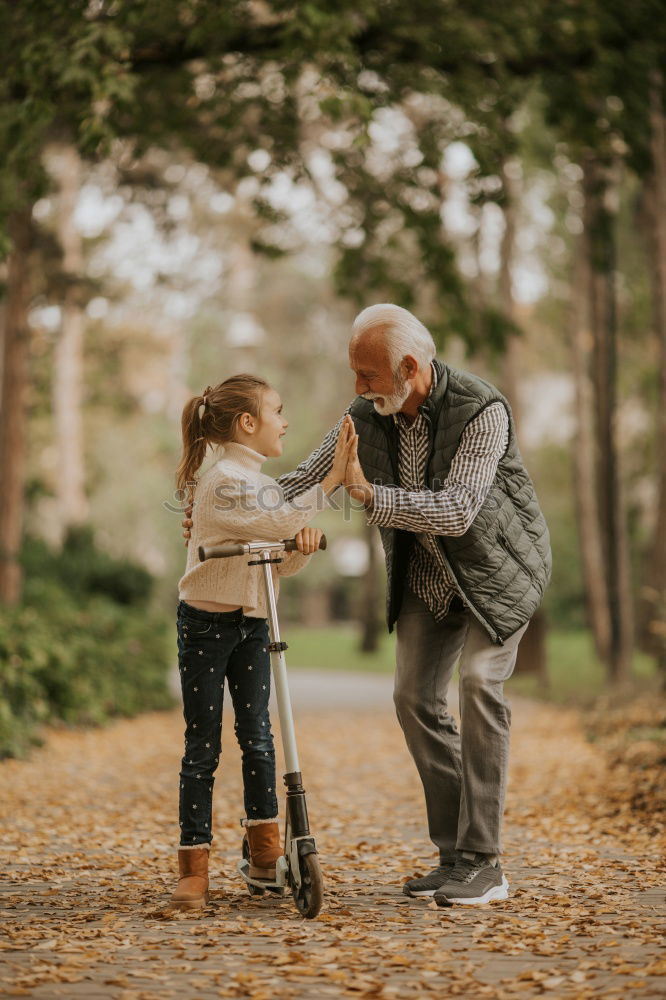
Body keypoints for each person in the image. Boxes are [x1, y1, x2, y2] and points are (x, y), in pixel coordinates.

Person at [183, 304, 551, 907]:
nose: (356, 387)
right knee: (413, 701)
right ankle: (456, 856)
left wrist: (365, 493)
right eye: (355, 374)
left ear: (410, 367)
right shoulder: (364, 416)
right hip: (425, 581)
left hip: (494, 575)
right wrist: (219, 514)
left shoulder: (482, 411)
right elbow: (303, 478)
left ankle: (485, 862)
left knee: (480, 683)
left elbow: (458, 512)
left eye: (368, 375)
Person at [171, 373, 356, 909]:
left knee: (258, 737)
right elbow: (272, 518)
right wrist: (331, 482)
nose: (286, 420)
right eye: (278, 410)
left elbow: (277, 554)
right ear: (247, 424)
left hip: (254, 620)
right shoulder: (223, 480)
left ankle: (264, 855)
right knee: (202, 743)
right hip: (205, 625)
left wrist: (300, 542)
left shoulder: (259, 481)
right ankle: (193, 865)